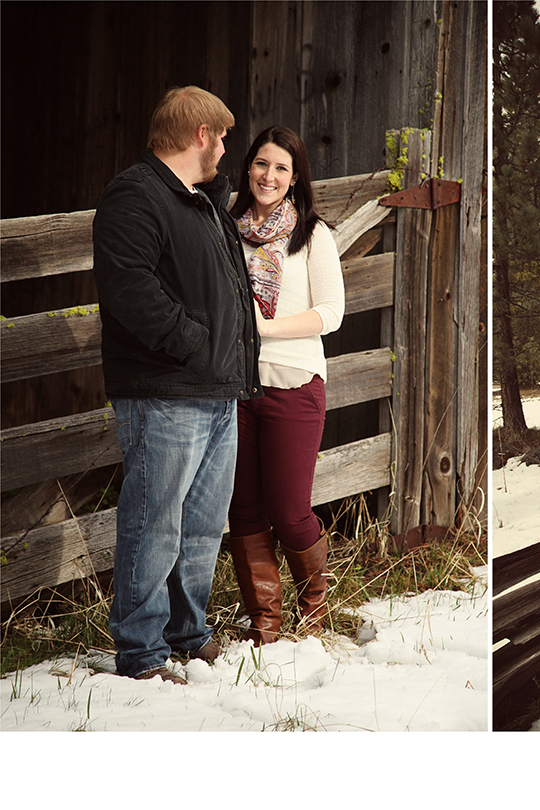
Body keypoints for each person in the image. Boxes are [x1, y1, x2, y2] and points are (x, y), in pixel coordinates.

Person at [93, 86, 262, 684]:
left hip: (215, 391)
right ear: (200, 135)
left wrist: (221, 358)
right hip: (165, 390)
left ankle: (187, 634)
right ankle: (140, 652)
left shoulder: (198, 201)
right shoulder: (134, 195)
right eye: (221, 136)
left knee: (199, 525)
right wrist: (194, 341)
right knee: (153, 521)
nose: (226, 149)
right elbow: (129, 289)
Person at [226, 126, 346, 645]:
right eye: (260, 164)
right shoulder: (226, 229)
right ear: (247, 167)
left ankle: (314, 608)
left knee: (290, 510)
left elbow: (331, 313)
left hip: (294, 386)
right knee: (244, 509)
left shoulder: (313, 235)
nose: (268, 176)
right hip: (235, 388)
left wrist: (265, 329)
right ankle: (265, 625)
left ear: (295, 178)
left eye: (280, 168)